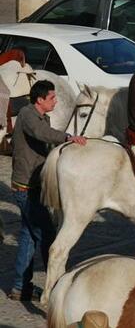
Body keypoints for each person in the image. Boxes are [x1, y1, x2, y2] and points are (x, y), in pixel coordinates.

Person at [9, 80, 86, 301]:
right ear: (40, 100)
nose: (55, 100)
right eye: (52, 97)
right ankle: (57, 285)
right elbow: (43, 133)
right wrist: (69, 138)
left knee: (28, 236)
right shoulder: (28, 115)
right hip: (25, 186)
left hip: (34, 185)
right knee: (47, 235)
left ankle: (19, 287)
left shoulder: (42, 115)